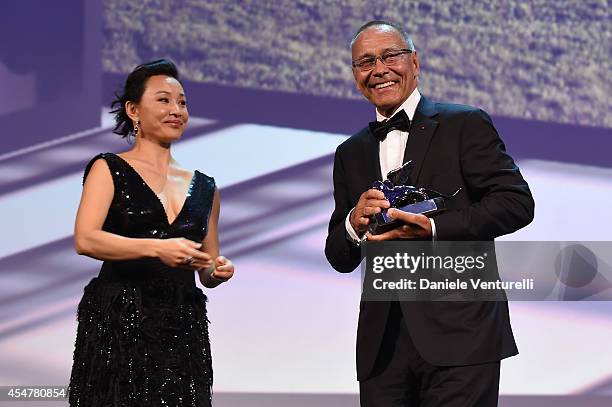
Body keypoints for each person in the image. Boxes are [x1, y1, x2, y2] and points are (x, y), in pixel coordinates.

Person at [325, 21, 534, 406]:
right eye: (366, 62)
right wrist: (353, 225)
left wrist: (434, 229)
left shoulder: (464, 124)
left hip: (461, 336)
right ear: (356, 76)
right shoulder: (350, 152)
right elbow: (338, 256)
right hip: (382, 348)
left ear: (415, 63)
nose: (380, 69)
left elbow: (516, 203)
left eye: (391, 55)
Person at [69, 59, 234, 407]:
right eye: (163, 100)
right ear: (133, 110)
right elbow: (85, 238)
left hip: (181, 328)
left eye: (182, 102)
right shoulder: (108, 167)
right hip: (120, 320)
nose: (176, 110)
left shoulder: (206, 187)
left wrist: (217, 269)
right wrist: (156, 249)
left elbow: (206, 268)